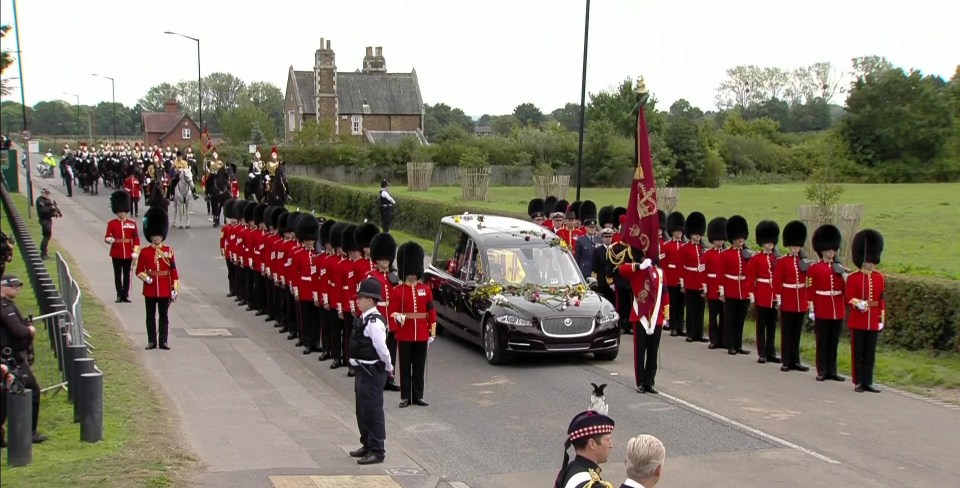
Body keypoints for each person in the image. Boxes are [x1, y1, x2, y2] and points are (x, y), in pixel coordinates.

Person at [348, 278, 394, 465]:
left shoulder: (374, 322)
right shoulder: (364, 318)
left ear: (370, 300)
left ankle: (377, 450)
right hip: (362, 370)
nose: (357, 301)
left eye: (360, 298)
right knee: (362, 410)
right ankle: (367, 443)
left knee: (373, 410)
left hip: (371, 371)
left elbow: (382, 349)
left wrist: (389, 367)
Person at [0, 275, 47, 445]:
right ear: (3, 287)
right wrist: (31, 330)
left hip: (10, 357)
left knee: (4, 396)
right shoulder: (5, 307)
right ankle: (29, 432)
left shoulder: (7, 305)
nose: (17, 289)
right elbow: (18, 332)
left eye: (18, 286)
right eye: (13, 286)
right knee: (31, 391)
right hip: (10, 359)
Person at [389, 241, 436, 407]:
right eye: (409, 273)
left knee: (418, 367)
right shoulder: (397, 291)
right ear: (405, 272)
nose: (413, 276)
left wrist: (432, 331)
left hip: (422, 333)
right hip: (405, 333)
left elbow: (430, 311)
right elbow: (392, 312)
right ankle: (405, 397)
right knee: (405, 367)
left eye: (415, 273)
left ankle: (417, 395)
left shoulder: (425, 289)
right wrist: (397, 318)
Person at [619, 256, 669, 394]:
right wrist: (638, 266)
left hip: (656, 317)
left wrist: (666, 315)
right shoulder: (637, 270)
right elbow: (622, 270)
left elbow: (664, 293)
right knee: (640, 351)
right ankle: (640, 382)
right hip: (640, 316)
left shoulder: (660, 272)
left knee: (653, 352)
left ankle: (650, 382)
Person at [847, 229, 885, 393]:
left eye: (872, 260)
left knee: (870, 353)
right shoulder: (853, 277)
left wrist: (881, 319)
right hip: (859, 319)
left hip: (873, 319)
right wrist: (858, 303)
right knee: (858, 352)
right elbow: (849, 297)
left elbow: (881, 300)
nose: (869, 263)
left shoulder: (879, 277)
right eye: (867, 260)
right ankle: (858, 381)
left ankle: (868, 381)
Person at [808, 224, 847, 382]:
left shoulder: (840, 268)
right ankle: (822, 370)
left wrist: (845, 276)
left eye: (832, 250)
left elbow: (846, 290)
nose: (831, 253)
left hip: (836, 308)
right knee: (822, 341)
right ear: (822, 251)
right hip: (822, 308)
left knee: (833, 341)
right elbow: (810, 290)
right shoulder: (815, 268)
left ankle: (832, 370)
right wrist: (812, 309)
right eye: (827, 250)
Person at [135, 208, 178, 350]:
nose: (156, 238)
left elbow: (173, 271)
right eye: (154, 235)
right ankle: (151, 341)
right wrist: (146, 278)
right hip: (150, 289)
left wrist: (174, 289)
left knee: (164, 317)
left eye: (159, 235)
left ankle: (163, 341)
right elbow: (139, 270)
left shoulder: (168, 251)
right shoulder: (144, 252)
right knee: (150, 317)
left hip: (165, 288)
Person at [366, 232, 401, 390]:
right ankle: (377, 377)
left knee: (391, 349)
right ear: (376, 259)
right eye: (381, 259)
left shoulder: (394, 277)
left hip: (392, 318)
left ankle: (389, 378)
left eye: (387, 259)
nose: (384, 262)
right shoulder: (370, 276)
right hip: (378, 316)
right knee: (377, 348)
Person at [774, 221, 810, 373]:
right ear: (789, 246)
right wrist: (779, 300)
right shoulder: (782, 262)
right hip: (787, 300)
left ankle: (796, 360)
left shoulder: (804, 262)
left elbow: (808, 282)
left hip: (800, 300)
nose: (796, 249)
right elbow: (777, 283)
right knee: (787, 332)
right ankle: (786, 360)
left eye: (798, 246)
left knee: (796, 333)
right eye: (793, 246)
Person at [747, 220, 780, 364]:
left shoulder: (777, 258)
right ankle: (762, 353)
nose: (770, 244)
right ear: (762, 243)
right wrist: (752, 296)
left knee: (772, 326)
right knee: (761, 326)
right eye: (767, 242)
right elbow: (750, 279)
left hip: (774, 296)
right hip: (762, 294)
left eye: (771, 242)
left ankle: (771, 352)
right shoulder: (756, 259)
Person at [554, 410, 616, 488]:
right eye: (608, 440)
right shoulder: (594, 486)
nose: (611, 445)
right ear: (591, 444)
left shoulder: (568, 470)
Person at [721, 215, 752, 356]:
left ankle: (738, 344)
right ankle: (730, 344)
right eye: (738, 238)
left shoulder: (748, 254)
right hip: (731, 289)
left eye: (742, 238)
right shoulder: (726, 254)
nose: (741, 241)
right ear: (733, 239)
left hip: (744, 290)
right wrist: (721, 292)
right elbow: (721, 274)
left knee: (740, 319)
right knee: (730, 318)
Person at [105, 191, 141, 303]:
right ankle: (119, 295)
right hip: (116, 252)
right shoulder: (111, 223)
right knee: (117, 275)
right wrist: (109, 240)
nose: (122, 214)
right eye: (120, 212)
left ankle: (125, 294)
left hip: (128, 252)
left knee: (127, 275)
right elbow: (107, 236)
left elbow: (136, 238)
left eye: (124, 212)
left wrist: (136, 251)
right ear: (117, 212)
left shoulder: (132, 223)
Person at [679, 211, 708, 343]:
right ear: (690, 234)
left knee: (700, 309)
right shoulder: (685, 248)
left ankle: (699, 333)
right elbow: (681, 267)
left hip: (700, 282)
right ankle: (690, 333)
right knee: (690, 309)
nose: (697, 236)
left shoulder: (703, 248)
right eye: (695, 234)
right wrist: (682, 284)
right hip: (690, 281)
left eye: (699, 234)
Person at [703, 217, 727, 350]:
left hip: (723, 288)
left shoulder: (726, 253)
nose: (720, 242)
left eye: (722, 239)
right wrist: (704, 289)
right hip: (712, 288)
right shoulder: (707, 254)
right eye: (717, 240)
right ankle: (713, 339)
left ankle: (723, 339)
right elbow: (703, 273)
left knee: (724, 316)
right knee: (713, 316)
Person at [661, 212, 686, 336]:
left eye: (681, 231)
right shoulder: (666, 246)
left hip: (681, 279)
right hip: (670, 278)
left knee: (681, 304)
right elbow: (663, 264)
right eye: (677, 231)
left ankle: (680, 326)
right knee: (672, 304)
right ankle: (673, 326)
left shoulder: (684, 246)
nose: (679, 233)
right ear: (672, 231)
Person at [574, 201, 600, 277]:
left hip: (596, 272)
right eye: (590, 227)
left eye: (593, 227)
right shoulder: (580, 240)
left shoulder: (599, 240)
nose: (592, 229)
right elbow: (578, 259)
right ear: (585, 227)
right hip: (584, 272)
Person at [35, 188, 61, 259]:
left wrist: (55, 213)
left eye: (48, 193)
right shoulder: (40, 200)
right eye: (46, 193)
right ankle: (43, 253)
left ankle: (45, 252)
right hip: (44, 220)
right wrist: (51, 208)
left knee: (47, 236)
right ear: (42, 193)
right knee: (46, 235)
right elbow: (43, 210)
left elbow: (51, 210)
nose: (47, 195)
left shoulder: (48, 201)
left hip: (48, 219)